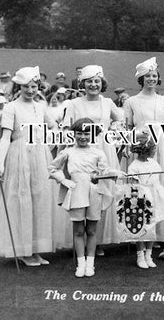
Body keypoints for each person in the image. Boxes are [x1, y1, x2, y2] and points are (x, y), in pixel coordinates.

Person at [0, 66, 57, 266]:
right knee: (22, 201)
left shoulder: (41, 106)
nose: (31, 90)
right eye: (26, 87)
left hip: (39, 156)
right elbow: (4, 138)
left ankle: (36, 249)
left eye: (34, 86)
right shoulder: (12, 107)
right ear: (19, 87)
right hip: (19, 156)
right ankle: (22, 250)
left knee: (39, 200)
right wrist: (0, 164)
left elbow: (54, 125)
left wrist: (49, 143)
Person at [123, 57, 164, 242]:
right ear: (141, 79)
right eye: (147, 76)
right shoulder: (132, 102)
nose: (151, 79)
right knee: (141, 187)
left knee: (159, 186)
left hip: (160, 146)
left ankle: (159, 235)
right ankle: (140, 233)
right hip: (140, 147)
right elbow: (126, 126)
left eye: (154, 76)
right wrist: (135, 136)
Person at [49, 118, 123, 277]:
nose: (83, 137)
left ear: (93, 134)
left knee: (91, 230)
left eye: (86, 133)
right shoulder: (68, 152)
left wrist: (114, 173)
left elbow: (104, 171)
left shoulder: (98, 152)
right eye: (79, 133)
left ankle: (90, 264)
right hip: (76, 192)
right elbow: (52, 168)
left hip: (93, 192)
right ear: (74, 134)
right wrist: (63, 180)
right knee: (78, 231)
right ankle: (80, 265)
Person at [63, 65, 125, 249]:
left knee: (101, 194)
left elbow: (121, 120)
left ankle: (96, 241)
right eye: (89, 81)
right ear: (83, 83)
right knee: (82, 194)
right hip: (82, 153)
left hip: (104, 152)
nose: (93, 85)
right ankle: (80, 241)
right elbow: (66, 127)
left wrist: (115, 130)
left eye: (97, 81)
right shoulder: (74, 104)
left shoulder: (107, 103)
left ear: (102, 83)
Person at [127, 136, 164, 268]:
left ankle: (148, 254)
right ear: (145, 150)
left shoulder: (154, 163)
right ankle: (140, 255)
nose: (155, 150)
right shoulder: (134, 166)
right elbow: (134, 186)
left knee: (152, 225)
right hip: (142, 197)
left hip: (155, 196)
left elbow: (156, 180)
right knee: (141, 227)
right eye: (153, 148)